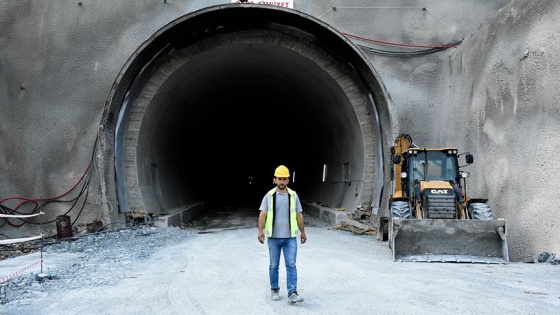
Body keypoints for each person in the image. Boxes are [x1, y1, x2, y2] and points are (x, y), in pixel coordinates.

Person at [257, 165, 307, 303]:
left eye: (284, 179)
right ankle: (274, 289)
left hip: (290, 237)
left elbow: (299, 214)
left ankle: (292, 292)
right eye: (279, 179)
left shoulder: (293, 195)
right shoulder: (269, 196)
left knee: (291, 264)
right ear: (275, 180)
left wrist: (302, 232)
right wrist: (260, 231)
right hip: (273, 237)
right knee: (274, 265)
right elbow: (263, 214)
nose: (282, 182)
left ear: (288, 180)